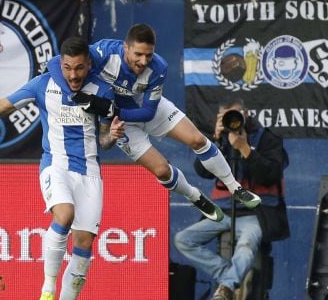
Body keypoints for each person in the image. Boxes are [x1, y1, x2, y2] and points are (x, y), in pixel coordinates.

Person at [0, 36, 122, 300]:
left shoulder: (102, 90)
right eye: (67, 67)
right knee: (65, 214)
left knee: (84, 245)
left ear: (88, 64)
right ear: (60, 64)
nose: (73, 74)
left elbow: (104, 142)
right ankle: (48, 289)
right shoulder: (44, 84)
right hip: (56, 164)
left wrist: (111, 135)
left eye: (78, 68)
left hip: (89, 174)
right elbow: (2, 106)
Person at [88, 24, 262, 222]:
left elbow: (148, 112)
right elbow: (104, 143)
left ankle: (236, 188)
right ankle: (195, 197)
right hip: (120, 123)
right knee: (161, 170)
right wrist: (112, 132)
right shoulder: (103, 54)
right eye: (138, 54)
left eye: (149, 55)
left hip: (143, 108)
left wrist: (114, 110)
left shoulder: (158, 67)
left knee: (197, 140)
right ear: (125, 47)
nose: (144, 61)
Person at [174, 97, 288, 300]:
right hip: (224, 211)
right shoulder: (219, 141)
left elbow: (271, 174)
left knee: (246, 246)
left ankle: (226, 288)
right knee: (183, 240)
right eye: (225, 117)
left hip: (257, 213)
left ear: (246, 114)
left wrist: (245, 149)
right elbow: (202, 172)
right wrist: (215, 141)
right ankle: (233, 279)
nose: (232, 121)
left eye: (235, 115)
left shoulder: (267, 138)